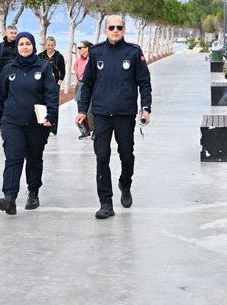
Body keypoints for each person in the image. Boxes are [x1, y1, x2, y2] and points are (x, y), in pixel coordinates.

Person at [75, 16, 152, 219]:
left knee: (126, 155)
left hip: (125, 114)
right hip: (101, 114)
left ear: (124, 30)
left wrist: (146, 108)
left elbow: (144, 82)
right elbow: (87, 83)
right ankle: (106, 203)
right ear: (105, 31)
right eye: (111, 27)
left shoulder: (134, 52)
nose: (115, 30)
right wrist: (82, 110)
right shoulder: (96, 52)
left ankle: (125, 184)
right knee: (102, 157)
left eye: (119, 27)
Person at [0, 32, 59, 215]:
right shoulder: (9, 68)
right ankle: (10, 198)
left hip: (37, 123)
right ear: (16, 47)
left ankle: (33, 192)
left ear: (33, 46)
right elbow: (1, 96)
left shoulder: (43, 67)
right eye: (21, 44)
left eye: (28, 43)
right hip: (12, 121)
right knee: (13, 158)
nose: (24, 47)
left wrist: (51, 116)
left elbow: (51, 94)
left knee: (34, 158)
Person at [38, 36, 66, 135]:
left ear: (55, 45)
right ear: (45, 45)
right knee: (42, 106)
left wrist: (58, 83)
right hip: (42, 85)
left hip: (54, 85)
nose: (50, 47)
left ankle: (53, 129)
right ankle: (42, 127)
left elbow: (62, 71)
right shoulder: (40, 56)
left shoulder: (59, 56)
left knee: (53, 106)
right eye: (48, 45)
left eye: (52, 45)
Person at [72, 40, 93, 138]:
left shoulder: (91, 59)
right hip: (80, 85)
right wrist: (76, 84)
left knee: (90, 110)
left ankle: (94, 131)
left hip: (90, 85)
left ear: (87, 48)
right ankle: (85, 131)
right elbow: (76, 74)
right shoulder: (77, 61)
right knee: (80, 109)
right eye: (78, 48)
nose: (78, 49)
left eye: (80, 48)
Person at [0, 25, 18, 91]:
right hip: (2, 79)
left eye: (15, 33)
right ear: (6, 33)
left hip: (17, 79)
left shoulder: (19, 46)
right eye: (11, 33)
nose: (13, 35)